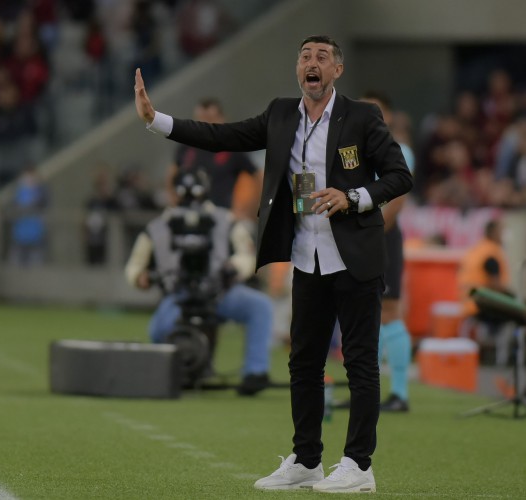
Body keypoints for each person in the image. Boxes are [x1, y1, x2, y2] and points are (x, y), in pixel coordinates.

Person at [134, 35, 413, 493]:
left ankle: (359, 466)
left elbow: (400, 175)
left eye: (322, 57)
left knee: (360, 364)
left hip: (355, 259)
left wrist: (354, 197)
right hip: (308, 258)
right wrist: (156, 120)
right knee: (303, 364)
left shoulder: (362, 116)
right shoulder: (282, 114)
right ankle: (307, 461)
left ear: (337, 70)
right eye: (305, 56)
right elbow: (220, 136)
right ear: (297, 68)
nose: (312, 63)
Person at [125, 169, 273, 395]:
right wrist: (140, 277)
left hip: (220, 291)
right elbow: (135, 266)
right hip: (179, 293)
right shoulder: (158, 227)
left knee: (260, 306)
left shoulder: (226, 220)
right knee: (159, 329)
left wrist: (234, 267)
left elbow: (247, 255)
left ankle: (255, 371)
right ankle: (170, 373)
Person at [335, 91, 415, 412]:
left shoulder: (400, 150)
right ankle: (365, 392)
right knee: (366, 315)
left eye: (376, 110)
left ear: (390, 116)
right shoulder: (351, 149)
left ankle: (400, 393)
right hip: (360, 238)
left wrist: (368, 234)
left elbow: (397, 199)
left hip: (383, 237)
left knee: (390, 312)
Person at [166, 97, 261, 212]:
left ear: (222, 118)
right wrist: (173, 199)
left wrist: (251, 209)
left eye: (210, 119)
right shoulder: (186, 147)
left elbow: (258, 175)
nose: (205, 124)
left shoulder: (232, 147)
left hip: (221, 214)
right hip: (189, 212)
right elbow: (172, 174)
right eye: (200, 120)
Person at [458, 218, 515, 366]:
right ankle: (503, 359)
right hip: (482, 306)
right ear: (494, 233)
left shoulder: (478, 249)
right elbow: (495, 285)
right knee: (514, 317)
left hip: (468, 303)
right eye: (501, 230)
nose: (504, 234)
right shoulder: (491, 254)